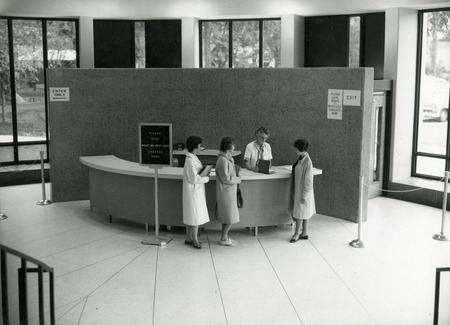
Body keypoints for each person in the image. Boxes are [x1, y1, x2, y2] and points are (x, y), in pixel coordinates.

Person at [182, 136, 212, 249]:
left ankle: (189, 238)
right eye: (200, 145)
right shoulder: (190, 161)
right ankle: (194, 239)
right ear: (196, 147)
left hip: (194, 191)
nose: (201, 147)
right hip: (193, 192)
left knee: (192, 215)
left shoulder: (192, 158)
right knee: (195, 216)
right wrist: (206, 178)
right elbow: (194, 179)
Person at [288, 139, 316, 243]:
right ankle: (304, 233)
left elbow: (308, 181)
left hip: (304, 192)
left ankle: (296, 234)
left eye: (295, 148)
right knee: (304, 212)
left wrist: (304, 195)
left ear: (299, 148)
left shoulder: (307, 161)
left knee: (300, 213)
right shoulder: (301, 158)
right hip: (301, 190)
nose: (294, 150)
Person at [215, 137, 242, 247]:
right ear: (228, 147)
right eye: (233, 145)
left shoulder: (227, 158)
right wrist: (238, 179)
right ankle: (223, 238)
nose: (234, 147)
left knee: (227, 216)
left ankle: (225, 237)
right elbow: (226, 179)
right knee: (230, 216)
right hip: (226, 192)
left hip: (229, 191)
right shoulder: (222, 160)